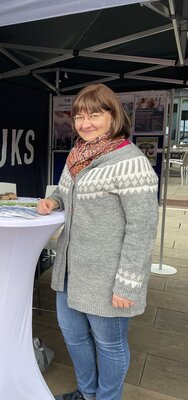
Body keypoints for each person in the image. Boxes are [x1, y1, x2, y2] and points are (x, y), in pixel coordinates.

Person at [37, 83, 159, 400]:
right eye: (79, 116)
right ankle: (87, 393)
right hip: (69, 272)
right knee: (74, 337)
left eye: (94, 115)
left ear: (113, 116)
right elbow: (65, 193)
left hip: (108, 277)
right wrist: (54, 201)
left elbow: (143, 226)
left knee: (110, 343)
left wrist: (128, 283)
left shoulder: (130, 161)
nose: (85, 123)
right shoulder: (77, 156)